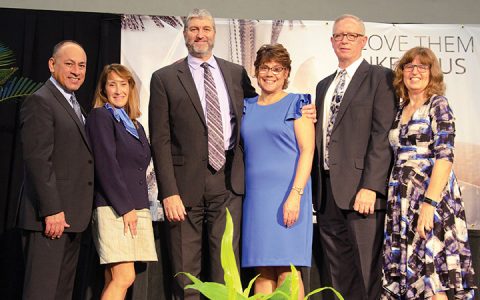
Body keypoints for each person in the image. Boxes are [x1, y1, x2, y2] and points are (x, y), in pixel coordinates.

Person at [148, 8, 257, 299]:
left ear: (214, 34)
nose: (200, 34)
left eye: (206, 29)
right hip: (183, 189)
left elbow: (260, 111)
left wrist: (299, 109)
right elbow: (159, 140)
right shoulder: (165, 78)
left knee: (226, 267)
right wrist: (168, 192)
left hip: (228, 182)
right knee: (186, 272)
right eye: (194, 29)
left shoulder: (235, 73)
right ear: (185, 34)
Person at [312, 14, 397, 300]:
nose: (344, 40)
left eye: (351, 35)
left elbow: (381, 134)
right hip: (326, 194)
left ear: (364, 41)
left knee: (366, 272)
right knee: (335, 274)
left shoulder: (381, 77)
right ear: (331, 41)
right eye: (339, 35)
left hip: (362, 193)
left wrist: (371, 186)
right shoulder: (324, 85)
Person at [382, 47, 477, 299]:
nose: (415, 72)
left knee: (433, 276)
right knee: (412, 277)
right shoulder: (399, 109)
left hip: (431, 199)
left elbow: (445, 157)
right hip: (401, 203)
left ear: (432, 73)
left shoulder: (438, 104)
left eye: (422, 67)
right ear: (401, 72)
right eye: (409, 66)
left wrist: (428, 204)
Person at [17, 40, 94, 300]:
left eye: (81, 65)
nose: (76, 71)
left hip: (71, 218)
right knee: (42, 292)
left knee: (61, 293)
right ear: (52, 65)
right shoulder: (40, 101)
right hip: (49, 219)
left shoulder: (74, 104)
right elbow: (38, 160)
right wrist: (52, 210)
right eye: (69, 64)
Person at [241, 44, 315, 299]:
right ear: (256, 71)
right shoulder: (246, 106)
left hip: (289, 195)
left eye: (277, 69)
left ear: (286, 73)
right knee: (262, 271)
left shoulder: (298, 104)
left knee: (288, 270)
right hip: (255, 199)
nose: (270, 73)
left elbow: (308, 151)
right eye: (265, 67)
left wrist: (295, 196)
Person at [85, 64, 158, 299]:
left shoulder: (135, 125)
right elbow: (106, 165)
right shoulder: (100, 116)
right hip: (114, 207)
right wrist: (126, 208)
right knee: (125, 277)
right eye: (112, 84)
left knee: (114, 278)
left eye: (123, 84)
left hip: (137, 207)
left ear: (130, 88)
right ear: (104, 89)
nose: (118, 90)